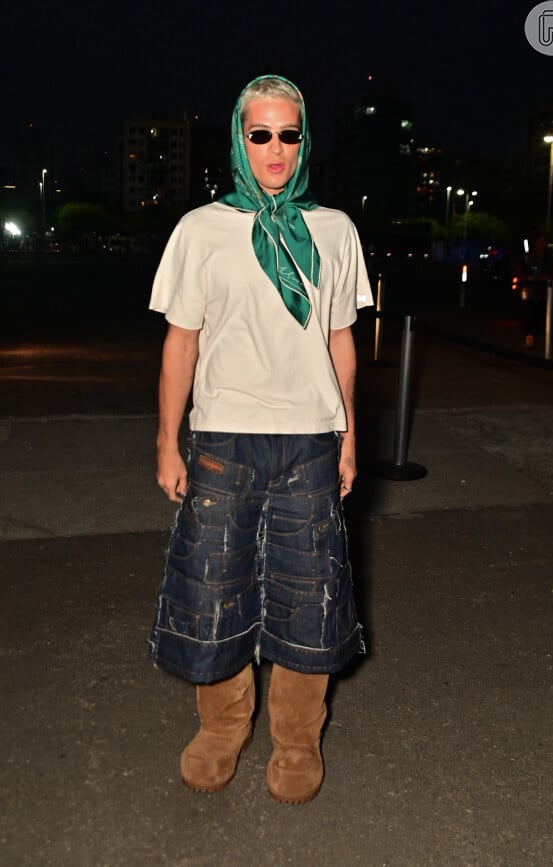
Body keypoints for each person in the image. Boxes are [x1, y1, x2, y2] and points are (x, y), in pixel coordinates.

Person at [148, 74, 373, 804]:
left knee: (311, 596)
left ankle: (298, 739)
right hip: (223, 441)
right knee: (214, 592)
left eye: (289, 134)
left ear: (304, 141)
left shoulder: (335, 230)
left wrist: (347, 434)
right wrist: (165, 439)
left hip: (309, 439)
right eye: (260, 134)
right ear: (239, 140)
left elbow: (342, 341)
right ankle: (222, 729)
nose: (275, 149)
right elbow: (180, 345)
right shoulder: (200, 229)